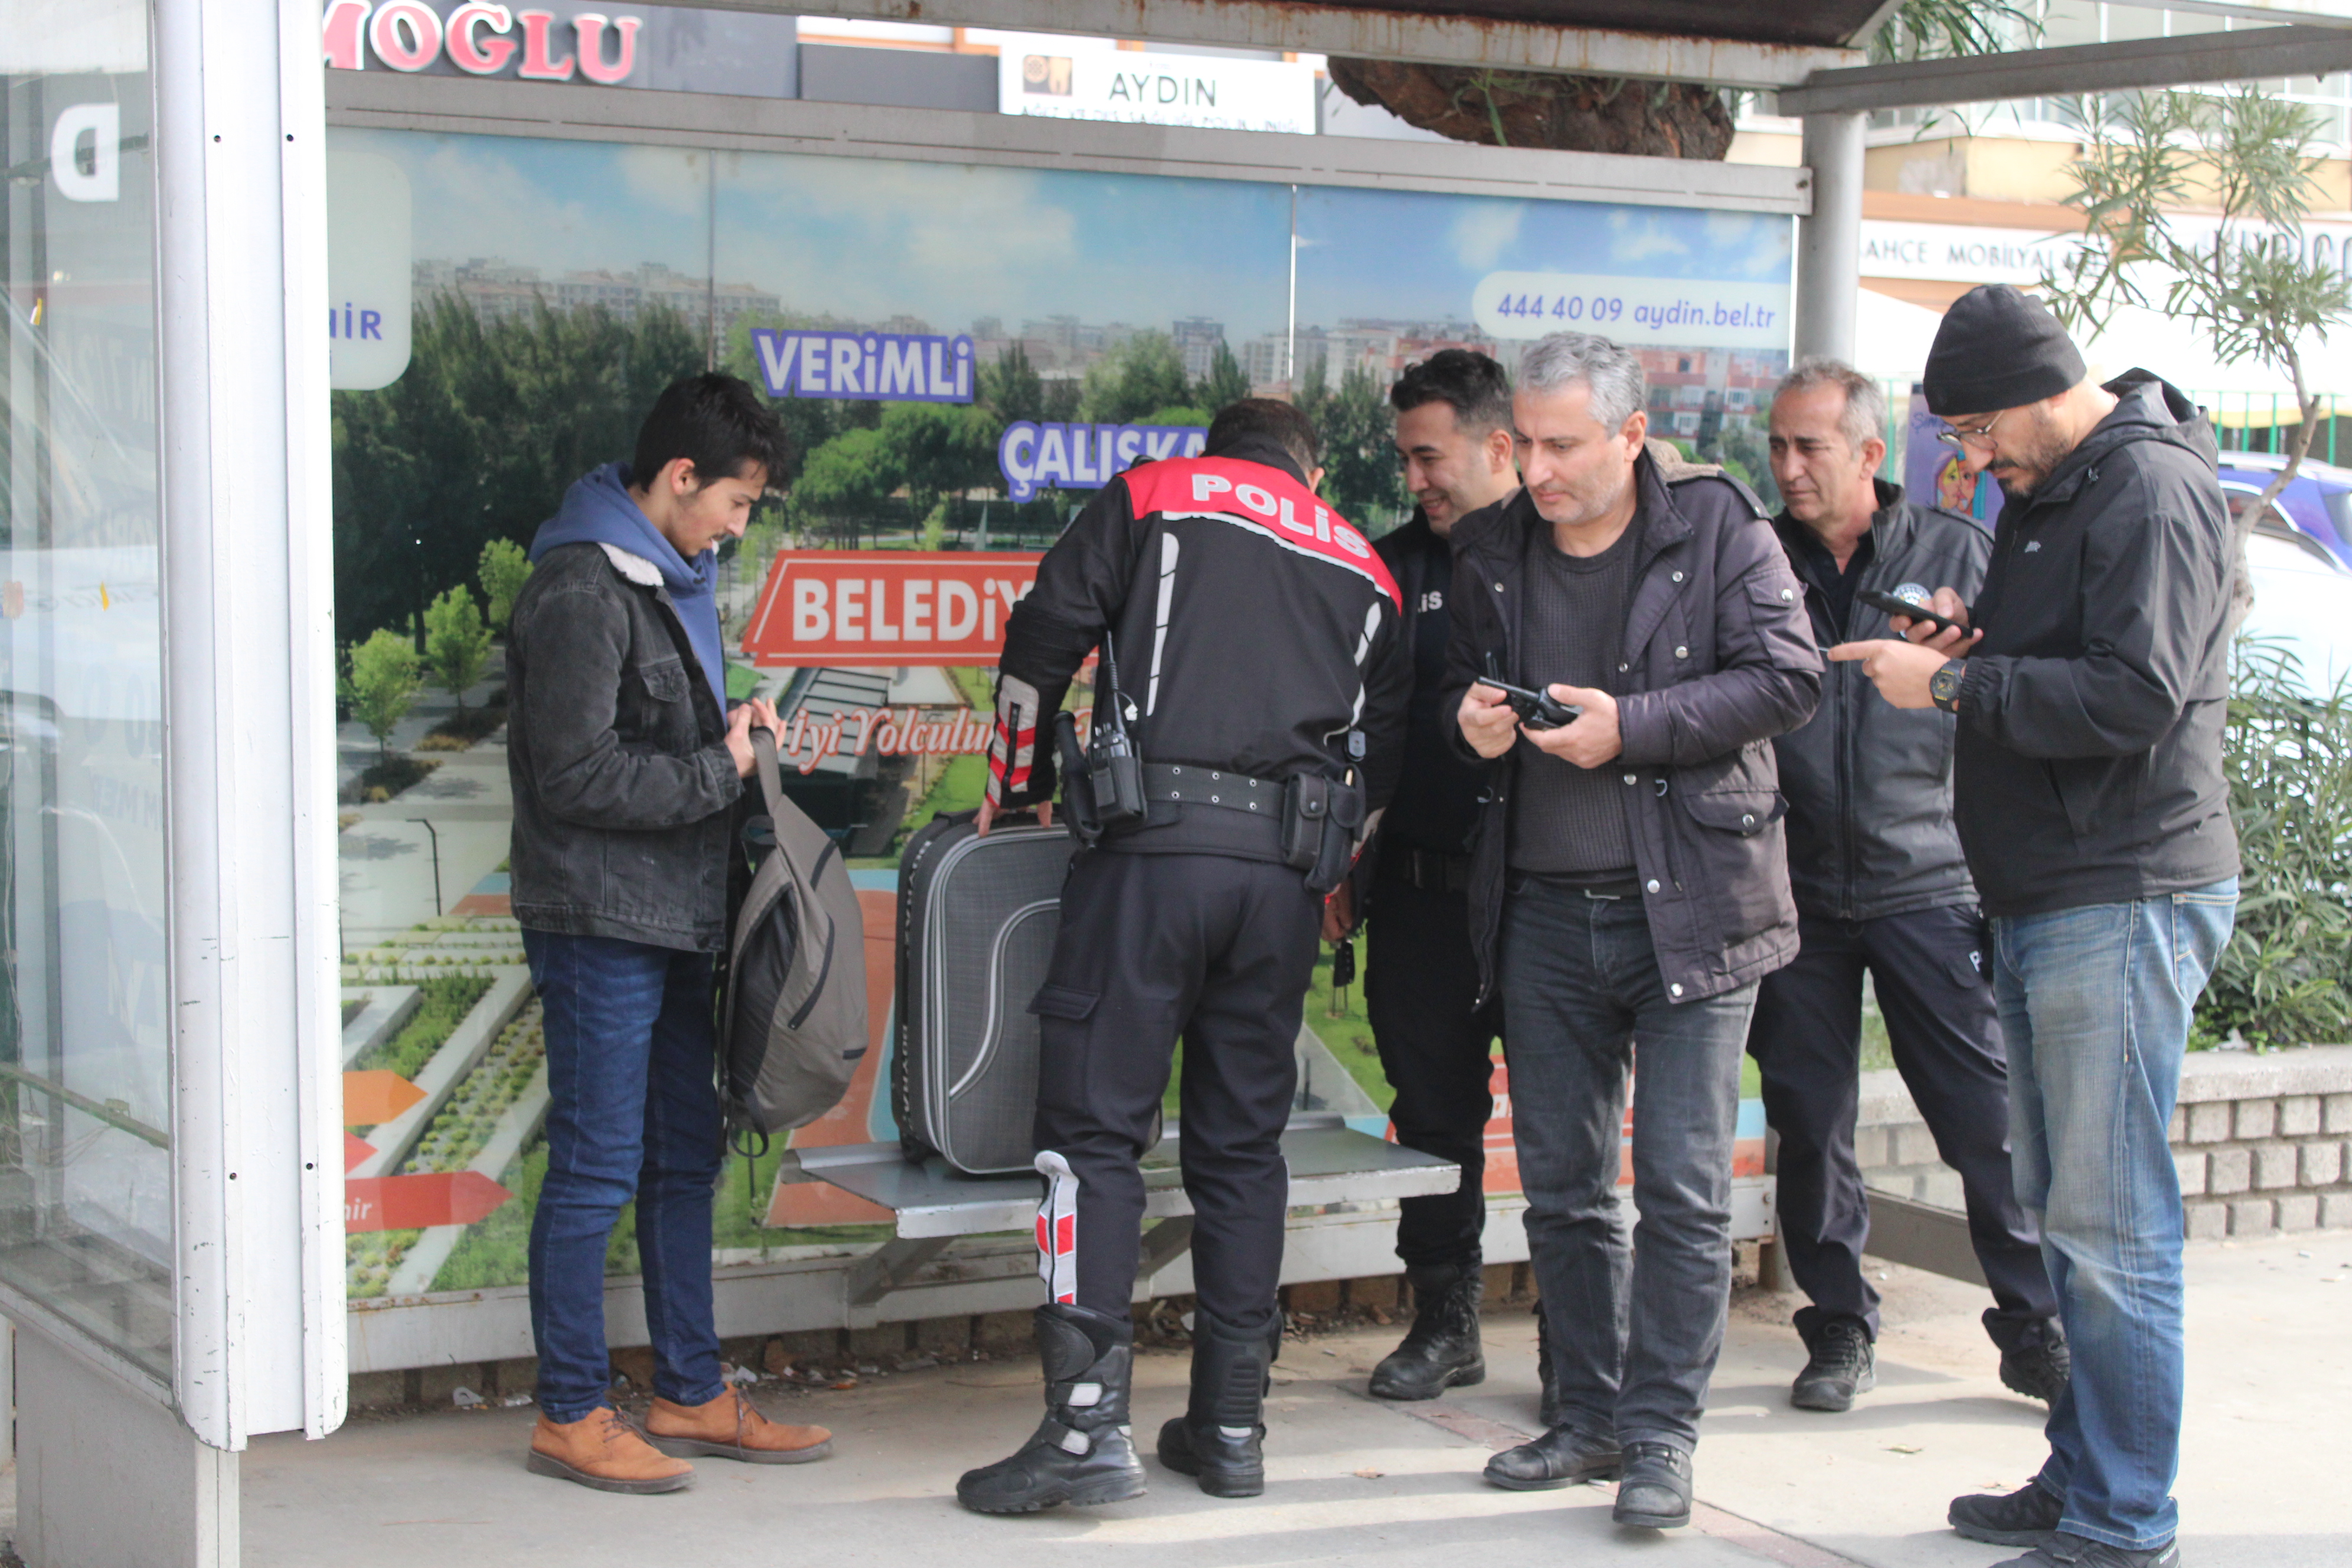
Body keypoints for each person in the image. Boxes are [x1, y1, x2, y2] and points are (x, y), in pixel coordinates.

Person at [1832, 285, 2237, 1568]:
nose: (1968, 457)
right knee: (2070, 1215)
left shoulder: (2148, 489)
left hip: (2120, 888)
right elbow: (2077, 650)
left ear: (2037, 390)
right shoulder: (2059, 491)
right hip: (2052, 889)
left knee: (2114, 1227)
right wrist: (1979, 639)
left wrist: (1951, 678)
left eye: (1976, 428)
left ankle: (2126, 1517)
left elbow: (2138, 691)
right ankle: (2085, 1474)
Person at [956, 398, 1411, 1514]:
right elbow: (1381, 760)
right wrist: (1329, 870)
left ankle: (1081, 1436)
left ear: (1222, 448)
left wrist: (1015, 788)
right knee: (1243, 1150)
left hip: (1151, 861)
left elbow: (1039, 643)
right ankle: (1232, 1429)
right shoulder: (1368, 566)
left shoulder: (1156, 495)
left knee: (1091, 1140)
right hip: (1281, 893)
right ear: (1306, 469)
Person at [1444, 333, 1821, 1529]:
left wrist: (1636, 725)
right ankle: (1589, 1414)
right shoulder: (1490, 549)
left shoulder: (1716, 530)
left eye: (1562, 444)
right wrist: (1477, 725)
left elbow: (1789, 676)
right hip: (1545, 913)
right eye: (1524, 443)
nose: (1537, 467)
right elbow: (1465, 690)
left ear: (1630, 434)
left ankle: (1663, 1435)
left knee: (1684, 1185)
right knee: (1561, 1186)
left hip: (1695, 911)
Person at [506, 373, 833, 1492]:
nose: (742, 527)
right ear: (680, 478)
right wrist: (720, 766)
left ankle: (689, 1391)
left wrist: (732, 730)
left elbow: (653, 739)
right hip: (600, 923)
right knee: (596, 1169)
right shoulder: (581, 588)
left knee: (682, 1159)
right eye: (738, 503)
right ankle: (569, 1412)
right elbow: (577, 774)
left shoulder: (666, 578)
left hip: (672, 920)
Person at [1751, 358, 2067, 1415]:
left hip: (1927, 875)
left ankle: (2034, 1327)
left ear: (1871, 455)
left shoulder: (1956, 553)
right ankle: (1838, 1326)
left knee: (1982, 1119)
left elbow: (2016, 701)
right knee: (1810, 1117)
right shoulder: (1754, 559)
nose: (1790, 468)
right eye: (1779, 447)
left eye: (1812, 448)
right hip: (1792, 886)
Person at [1334, 350, 1518, 1404]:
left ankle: (1582, 1350)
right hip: (1417, 897)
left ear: (1498, 446)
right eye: (1405, 460)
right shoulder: (1385, 570)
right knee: (1433, 1119)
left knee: (1567, 1122)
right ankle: (1445, 1319)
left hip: (1539, 898)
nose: (1416, 481)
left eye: (1430, 457)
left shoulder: (1560, 557)